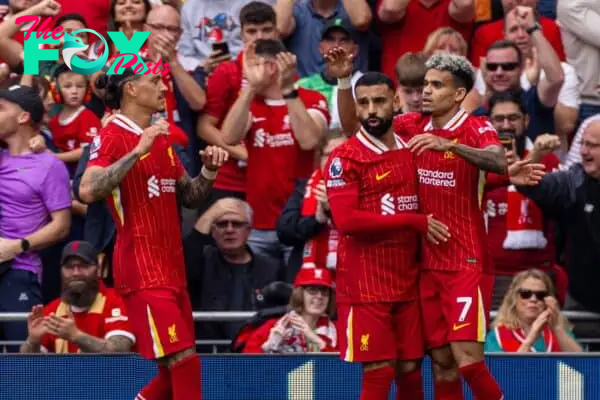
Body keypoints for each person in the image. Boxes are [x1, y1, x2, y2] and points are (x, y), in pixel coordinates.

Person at [335, 54, 509, 399]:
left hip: (465, 262)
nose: (425, 91)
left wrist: (452, 145)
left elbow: (499, 160)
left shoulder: (475, 126)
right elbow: (355, 130)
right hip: (425, 267)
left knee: (468, 362)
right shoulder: (412, 125)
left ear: (458, 95)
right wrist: (343, 83)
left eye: (435, 85)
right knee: (441, 360)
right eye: (424, 84)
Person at [78, 67, 228, 399]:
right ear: (131, 89)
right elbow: (88, 191)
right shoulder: (112, 134)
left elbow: (188, 196)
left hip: (171, 270)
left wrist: (210, 170)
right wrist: (136, 151)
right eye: (155, 82)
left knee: (170, 372)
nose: (164, 87)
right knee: (185, 362)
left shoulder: (160, 137)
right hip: (142, 269)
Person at [326, 71, 451, 400]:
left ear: (395, 102)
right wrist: (413, 222)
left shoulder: (412, 148)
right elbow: (347, 221)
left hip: (407, 282)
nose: (371, 110)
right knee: (379, 369)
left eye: (379, 101)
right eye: (363, 103)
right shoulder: (345, 157)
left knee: (410, 368)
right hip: (366, 287)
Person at [221, 38, 329, 270]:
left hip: (300, 218)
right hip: (258, 223)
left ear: (273, 66)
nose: (252, 70)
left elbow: (309, 140)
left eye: (257, 65)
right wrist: (249, 87)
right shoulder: (251, 103)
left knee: (298, 296)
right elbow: (228, 137)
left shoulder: (312, 98)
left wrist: (289, 90)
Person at [508, 113, 600, 349]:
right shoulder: (574, 182)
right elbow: (529, 183)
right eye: (583, 144)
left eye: (592, 146)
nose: (584, 152)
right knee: (572, 373)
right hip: (582, 299)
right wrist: (537, 154)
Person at [0, 85, 71, 352]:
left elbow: (62, 226)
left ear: (23, 117)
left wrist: (17, 246)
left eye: (1, 109)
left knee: (23, 363)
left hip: (19, 271)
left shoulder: (49, 165)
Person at [183, 197, 283, 350]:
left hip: (257, 355)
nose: (229, 230)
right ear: (213, 231)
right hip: (209, 355)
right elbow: (187, 257)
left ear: (249, 230)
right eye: (222, 224)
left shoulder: (271, 268)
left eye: (236, 224)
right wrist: (212, 212)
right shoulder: (203, 262)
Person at [20, 240, 135, 354]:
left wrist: (75, 336)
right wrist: (33, 340)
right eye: (69, 267)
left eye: (84, 265)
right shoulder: (52, 311)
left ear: (98, 269)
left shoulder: (116, 300)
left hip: (107, 373)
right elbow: (27, 368)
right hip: (65, 373)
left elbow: (119, 351)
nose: (76, 273)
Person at [484, 268, 582, 353]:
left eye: (540, 295)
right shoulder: (497, 336)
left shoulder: (560, 332)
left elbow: (583, 366)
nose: (533, 299)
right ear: (514, 299)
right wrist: (531, 337)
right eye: (526, 294)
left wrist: (557, 328)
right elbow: (503, 373)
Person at [243, 267, 337, 354]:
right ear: (299, 294)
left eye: (325, 292)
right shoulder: (272, 326)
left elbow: (344, 368)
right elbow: (248, 366)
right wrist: (269, 345)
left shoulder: (339, 330)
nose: (319, 296)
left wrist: (315, 339)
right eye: (312, 290)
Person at [47, 65, 101, 167]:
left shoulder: (88, 118)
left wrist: (56, 157)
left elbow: (88, 150)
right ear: (56, 90)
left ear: (87, 90)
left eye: (80, 86)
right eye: (67, 86)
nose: (74, 91)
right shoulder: (53, 122)